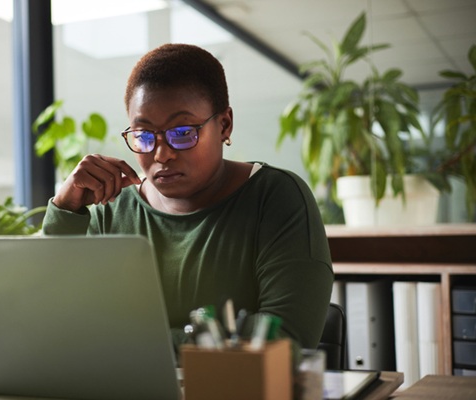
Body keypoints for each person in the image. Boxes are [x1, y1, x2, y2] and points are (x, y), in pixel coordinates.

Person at [42, 43, 333, 350]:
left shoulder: (275, 198)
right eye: (143, 135)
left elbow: (287, 340)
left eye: (182, 133)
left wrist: (123, 341)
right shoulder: (110, 207)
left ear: (224, 125)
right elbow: (53, 325)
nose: (162, 154)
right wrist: (64, 209)